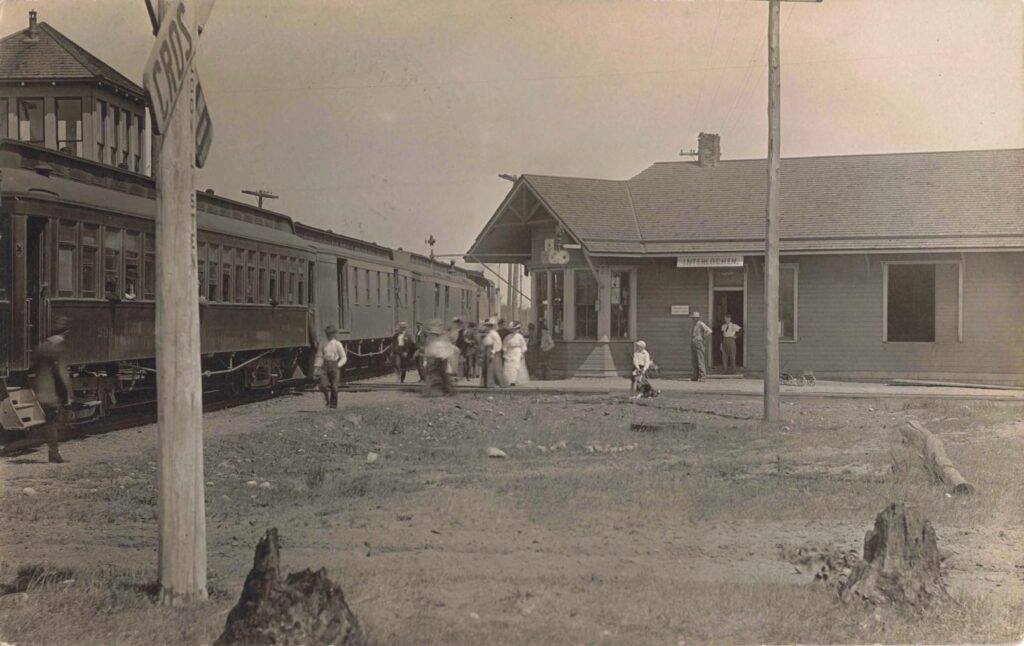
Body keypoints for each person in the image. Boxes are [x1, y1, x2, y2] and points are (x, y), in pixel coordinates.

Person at [30, 316, 72, 463]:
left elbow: (33, 367)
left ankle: (53, 453)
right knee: (52, 422)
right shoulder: (57, 349)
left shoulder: (40, 347)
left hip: (40, 390)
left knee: (49, 422)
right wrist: (68, 394)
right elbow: (61, 373)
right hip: (51, 392)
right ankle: (54, 454)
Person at [314, 325, 348, 408]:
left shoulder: (337, 344)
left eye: (330, 333)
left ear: (333, 334)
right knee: (323, 385)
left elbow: (344, 357)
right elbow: (319, 355)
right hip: (324, 365)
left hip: (334, 365)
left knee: (334, 387)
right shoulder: (322, 343)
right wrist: (316, 367)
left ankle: (333, 405)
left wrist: (338, 365)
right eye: (327, 333)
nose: (328, 335)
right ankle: (327, 400)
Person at [422, 319, 456, 396]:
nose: (432, 335)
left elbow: (445, 351)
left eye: (434, 334)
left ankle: (445, 390)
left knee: (440, 375)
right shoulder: (435, 340)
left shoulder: (441, 340)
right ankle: (436, 391)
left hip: (440, 359)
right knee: (438, 375)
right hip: (437, 358)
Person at [480, 318, 505, 388]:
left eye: (489, 326)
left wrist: (493, 352)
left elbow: (498, 343)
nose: (487, 327)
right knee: (488, 367)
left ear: (492, 326)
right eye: (487, 326)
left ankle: (494, 383)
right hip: (487, 350)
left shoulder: (494, 333)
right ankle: (488, 383)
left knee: (494, 368)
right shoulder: (489, 333)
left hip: (492, 351)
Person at [690, 311, 712, 382]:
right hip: (693, 341)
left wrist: (703, 337)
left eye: (696, 318)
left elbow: (709, 331)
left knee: (700, 360)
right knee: (694, 360)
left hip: (699, 342)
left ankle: (702, 376)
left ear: (698, 318)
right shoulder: (693, 324)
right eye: (693, 318)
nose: (694, 319)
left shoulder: (700, 323)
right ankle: (695, 376)